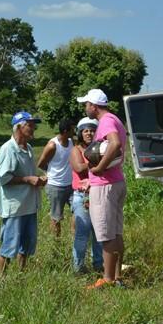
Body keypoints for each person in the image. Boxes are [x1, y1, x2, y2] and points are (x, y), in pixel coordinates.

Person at [77, 88, 128, 289]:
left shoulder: (106, 121)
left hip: (105, 185)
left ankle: (107, 280)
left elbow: (114, 144)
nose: (85, 108)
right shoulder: (115, 118)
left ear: (94, 106)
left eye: (86, 104)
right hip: (115, 182)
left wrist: (99, 168)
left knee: (106, 234)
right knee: (115, 233)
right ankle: (116, 278)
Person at [0, 111, 46, 275]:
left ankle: (21, 275)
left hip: (29, 205)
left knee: (27, 245)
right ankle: (2, 280)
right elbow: (2, 178)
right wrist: (27, 179)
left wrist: (37, 180)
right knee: (9, 245)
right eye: (30, 125)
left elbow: (27, 176)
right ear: (18, 127)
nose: (33, 129)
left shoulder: (28, 148)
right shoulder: (8, 149)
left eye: (33, 125)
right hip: (15, 207)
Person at [69, 117, 103, 274]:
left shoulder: (101, 147)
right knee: (83, 232)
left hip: (98, 193)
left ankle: (98, 264)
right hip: (82, 195)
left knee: (99, 232)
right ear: (80, 133)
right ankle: (78, 266)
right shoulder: (76, 150)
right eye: (85, 131)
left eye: (92, 130)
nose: (89, 133)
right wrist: (98, 162)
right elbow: (79, 168)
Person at [37, 118, 75, 238]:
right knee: (56, 217)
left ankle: (76, 239)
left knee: (78, 211)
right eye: (72, 130)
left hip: (71, 185)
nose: (74, 132)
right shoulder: (53, 145)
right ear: (65, 131)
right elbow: (41, 164)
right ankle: (56, 245)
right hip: (55, 186)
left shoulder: (71, 142)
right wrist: (50, 173)